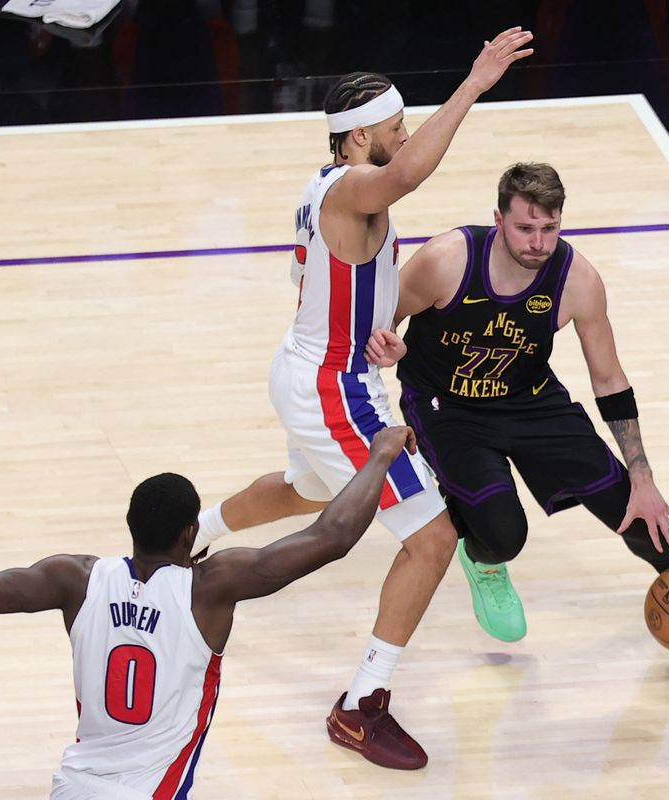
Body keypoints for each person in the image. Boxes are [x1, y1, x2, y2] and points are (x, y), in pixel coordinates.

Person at [188, 28, 534, 769]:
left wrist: (382, 334)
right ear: (357, 141)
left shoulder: (325, 188)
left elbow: (328, 283)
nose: (404, 141)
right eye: (394, 132)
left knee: (306, 489)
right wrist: (472, 83)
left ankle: (193, 534)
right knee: (433, 536)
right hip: (333, 390)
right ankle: (360, 705)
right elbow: (405, 176)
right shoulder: (353, 190)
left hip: (316, 366)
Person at [0, 426, 415, 799]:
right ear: (188, 535)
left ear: (131, 528)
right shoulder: (210, 589)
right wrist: (380, 455)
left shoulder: (74, 579)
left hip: (74, 785)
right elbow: (331, 537)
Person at [365, 162, 669, 645]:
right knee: (504, 533)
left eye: (549, 228)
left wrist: (643, 477)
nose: (538, 243)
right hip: (447, 407)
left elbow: (609, 379)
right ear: (498, 220)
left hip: (530, 400)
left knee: (630, 500)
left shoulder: (577, 278)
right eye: (525, 228)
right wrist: (389, 343)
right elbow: (380, 316)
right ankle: (484, 561)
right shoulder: (446, 259)